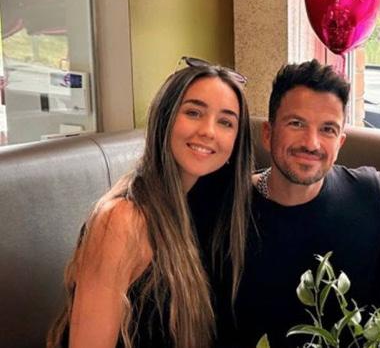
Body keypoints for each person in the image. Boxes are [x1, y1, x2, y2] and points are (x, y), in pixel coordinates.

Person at [47, 57, 253, 348]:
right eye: (193, 112)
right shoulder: (121, 220)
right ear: (164, 119)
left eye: (225, 122)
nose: (209, 131)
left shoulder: (204, 208)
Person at [206, 59, 380, 347]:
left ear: (340, 143)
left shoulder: (372, 197)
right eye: (296, 124)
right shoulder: (224, 208)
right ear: (268, 134)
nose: (311, 143)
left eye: (328, 129)